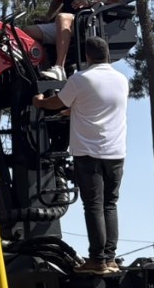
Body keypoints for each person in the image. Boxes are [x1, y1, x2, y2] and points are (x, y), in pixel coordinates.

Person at [34, 35, 129, 274]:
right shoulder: (121, 80)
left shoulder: (80, 79)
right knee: (110, 204)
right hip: (116, 152)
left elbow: (58, 103)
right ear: (107, 53)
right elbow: (95, 106)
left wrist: (40, 102)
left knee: (93, 205)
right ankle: (109, 258)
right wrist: (74, 112)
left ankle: (96, 260)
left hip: (89, 152)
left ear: (87, 56)